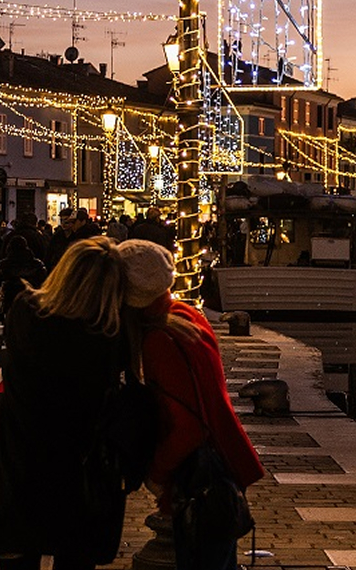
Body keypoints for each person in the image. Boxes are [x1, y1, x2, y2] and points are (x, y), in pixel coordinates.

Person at [0, 237, 129, 570]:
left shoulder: (27, 310)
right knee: (75, 557)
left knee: (18, 554)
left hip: (20, 458)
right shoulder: (106, 334)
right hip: (78, 468)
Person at [117, 239, 265, 570]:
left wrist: (156, 473)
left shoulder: (159, 340)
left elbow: (188, 428)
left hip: (198, 478)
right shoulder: (187, 315)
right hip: (224, 462)